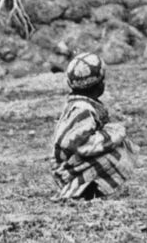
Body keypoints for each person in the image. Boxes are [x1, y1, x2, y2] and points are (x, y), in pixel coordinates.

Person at [51, 52, 132, 201]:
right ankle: (84, 190)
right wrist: (113, 134)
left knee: (116, 145)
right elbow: (80, 145)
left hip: (69, 164)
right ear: (99, 85)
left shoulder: (79, 104)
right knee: (115, 151)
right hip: (66, 169)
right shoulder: (83, 109)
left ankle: (91, 188)